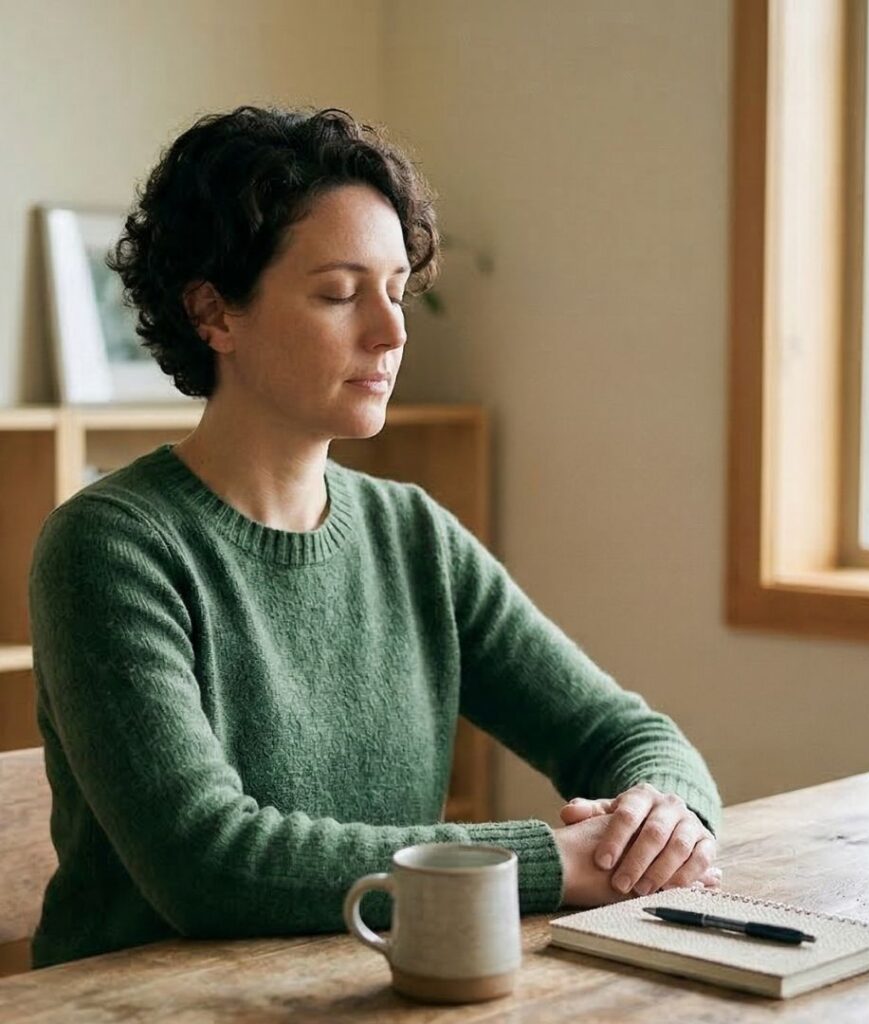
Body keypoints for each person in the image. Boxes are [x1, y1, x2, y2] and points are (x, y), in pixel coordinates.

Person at [27, 105, 722, 970]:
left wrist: (667, 817)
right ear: (214, 313)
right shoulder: (108, 548)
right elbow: (207, 862)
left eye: (396, 291)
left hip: (373, 988)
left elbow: (626, 734)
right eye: (339, 294)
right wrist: (553, 862)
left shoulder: (414, 536)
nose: (391, 333)